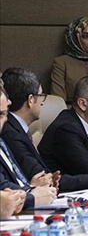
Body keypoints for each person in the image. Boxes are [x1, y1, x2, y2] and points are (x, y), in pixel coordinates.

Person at [1, 67, 88, 191]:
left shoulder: (17, 129)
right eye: (41, 95)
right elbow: (40, 178)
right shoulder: (10, 132)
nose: (42, 102)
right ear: (31, 100)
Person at [0, 81, 57, 210]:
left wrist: (31, 187)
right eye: (2, 114)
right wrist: (31, 195)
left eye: (3, 114)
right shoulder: (10, 132)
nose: (6, 119)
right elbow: (2, 188)